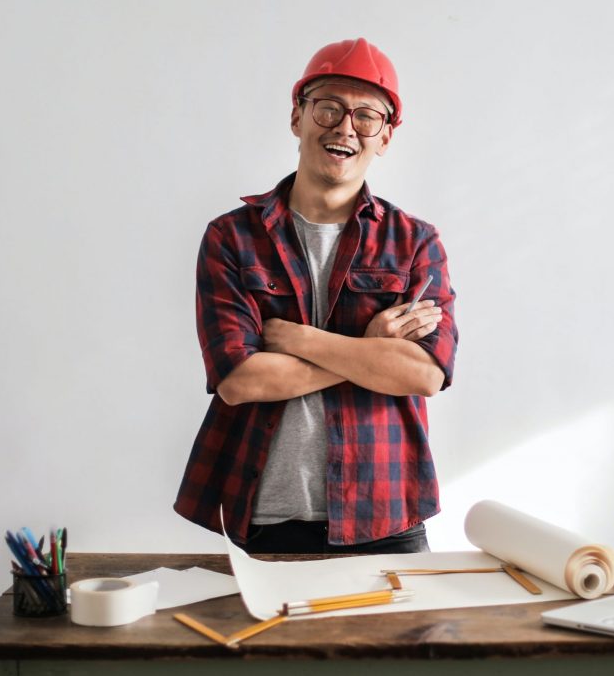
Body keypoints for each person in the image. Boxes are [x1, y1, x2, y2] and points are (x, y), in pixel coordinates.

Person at [174, 38, 458, 554]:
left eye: (367, 116)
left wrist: (300, 339)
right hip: (265, 518)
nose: (345, 128)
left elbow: (424, 375)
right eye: (328, 107)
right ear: (297, 117)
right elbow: (239, 381)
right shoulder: (232, 238)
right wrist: (371, 347)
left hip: (387, 517)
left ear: (386, 137)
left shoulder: (416, 242)